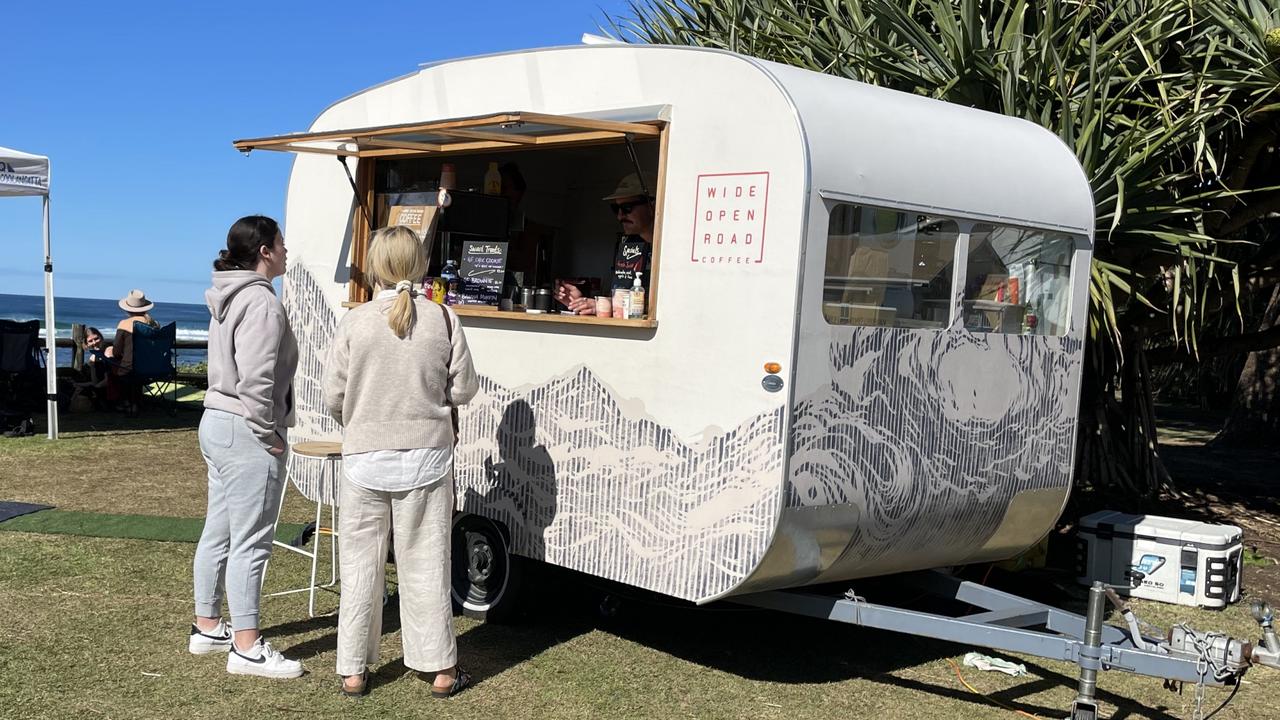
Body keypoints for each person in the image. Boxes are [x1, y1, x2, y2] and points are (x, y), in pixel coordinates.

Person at [323, 225, 479, 698]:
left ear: (374, 267)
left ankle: (353, 669)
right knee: (426, 563)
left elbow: (334, 396)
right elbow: (463, 390)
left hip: (365, 456)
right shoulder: (443, 319)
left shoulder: (355, 320)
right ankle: (441, 671)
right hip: (426, 455)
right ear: (419, 265)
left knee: (360, 564)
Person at [189, 215, 302, 679]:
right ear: (265, 251)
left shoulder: (229, 293)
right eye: (281, 242)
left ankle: (209, 626)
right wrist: (269, 433)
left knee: (220, 528)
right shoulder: (260, 301)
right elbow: (256, 380)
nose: (287, 249)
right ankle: (247, 648)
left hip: (217, 420)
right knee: (251, 539)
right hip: (244, 426)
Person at [555, 172, 656, 315]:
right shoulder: (630, 245)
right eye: (616, 209)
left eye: (627, 208)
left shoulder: (674, 245)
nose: (620, 215)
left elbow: (664, 306)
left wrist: (600, 306)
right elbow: (622, 300)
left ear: (652, 205)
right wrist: (581, 302)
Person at [110, 289, 161, 415]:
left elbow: (116, 351)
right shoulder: (154, 324)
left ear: (127, 309)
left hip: (130, 369)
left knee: (112, 364)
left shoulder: (124, 324)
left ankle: (124, 402)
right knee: (135, 371)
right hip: (152, 368)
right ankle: (136, 402)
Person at [69, 327, 109, 410]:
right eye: (90, 341)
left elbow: (106, 380)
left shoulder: (108, 351)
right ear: (86, 343)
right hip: (100, 386)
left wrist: (80, 385)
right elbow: (95, 382)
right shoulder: (93, 358)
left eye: (96, 339)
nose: (94, 343)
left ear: (100, 337)